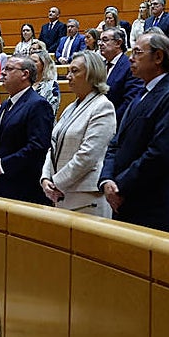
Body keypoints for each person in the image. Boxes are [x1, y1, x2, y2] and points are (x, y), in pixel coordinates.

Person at [99, 33, 169, 232]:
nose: (131, 58)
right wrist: (107, 180)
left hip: (152, 203)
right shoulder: (142, 94)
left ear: (158, 57)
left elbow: (161, 154)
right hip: (126, 197)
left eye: (138, 53)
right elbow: (116, 142)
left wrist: (120, 185)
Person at [41, 50, 118, 217]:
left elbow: (88, 155)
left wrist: (57, 182)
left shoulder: (103, 107)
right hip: (60, 193)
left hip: (86, 198)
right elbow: (52, 145)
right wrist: (45, 178)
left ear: (92, 74)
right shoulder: (70, 107)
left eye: (75, 71)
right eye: (68, 71)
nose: (68, 76)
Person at [0, 55, 54, 202]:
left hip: (25, 187)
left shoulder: (38, 105)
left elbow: (37, 147)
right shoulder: (6, 104)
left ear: (25, 74)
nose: (3, 73)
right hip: (1, 183)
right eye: (4, 68)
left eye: (9, 69)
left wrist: (1, 165)